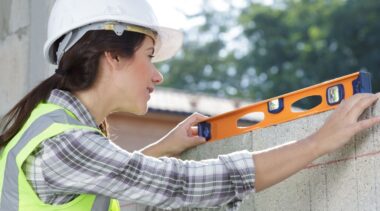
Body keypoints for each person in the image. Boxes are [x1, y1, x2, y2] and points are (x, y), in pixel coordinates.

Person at [0, 0, 379, 210]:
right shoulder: (64, 144)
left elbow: (108, 189)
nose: (157, 76)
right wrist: (317, 143)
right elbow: (185, 185)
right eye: (149, 55)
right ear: (111, 56)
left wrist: (165, 147)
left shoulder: (52, 126)